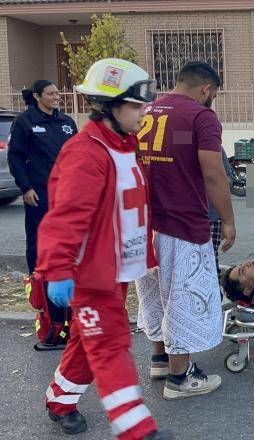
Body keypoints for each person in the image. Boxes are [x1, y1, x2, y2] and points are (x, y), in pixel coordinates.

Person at [35, 58, 170, 439]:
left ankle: (59, 401)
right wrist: (58, 271)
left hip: (116, 270)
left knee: (84, 342)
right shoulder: (86, 152)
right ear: (111, 107)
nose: (144, 113)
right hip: (90, 275)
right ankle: (137, 430)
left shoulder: (124, 145)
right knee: (110, 345)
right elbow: (66, 217)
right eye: (136, 106)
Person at [134, 61, 235, 400]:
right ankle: (180, 377)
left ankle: (161, 358)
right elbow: (212, 173)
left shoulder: (146, 110)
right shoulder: (199, 116)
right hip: (182, 222)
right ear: (206, 89)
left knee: (154, 293)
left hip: (145, 223)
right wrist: (228, 218)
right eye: (214, 94)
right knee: (183, 295)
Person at [8, 80, 78, 348]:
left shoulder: (67, 122)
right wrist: (25, 187)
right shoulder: (25, 122)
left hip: (69, 197)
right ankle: (52, 322)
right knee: (41, 254)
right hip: (40, 198)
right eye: (51, 93)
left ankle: (73, 321)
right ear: (37, 97)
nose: (56, 96)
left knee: (70, 253)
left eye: (57, 92)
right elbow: (15, 157)